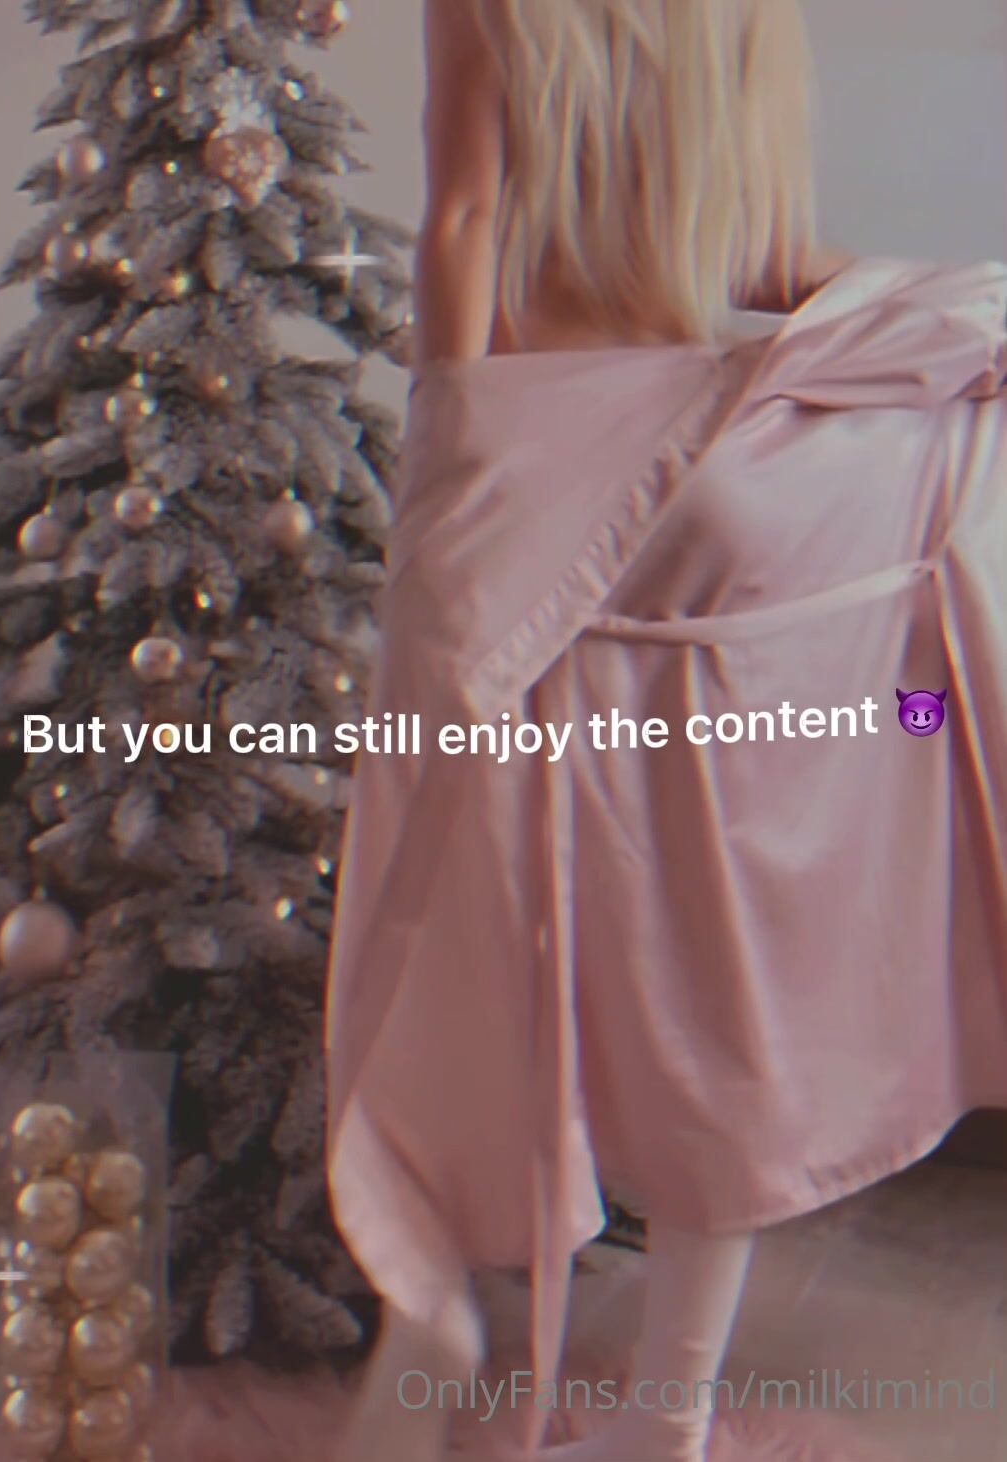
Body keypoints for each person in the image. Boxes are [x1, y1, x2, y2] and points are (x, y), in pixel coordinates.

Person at [325, 3, 1007, 1460]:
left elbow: (466, 218)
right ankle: (666, 1412)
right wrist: (924, 311)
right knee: (714, 947)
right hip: (720, 487)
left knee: (455, 904)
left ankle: (432, 1297)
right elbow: (753, 257)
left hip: (548, 473)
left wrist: (453, 444)